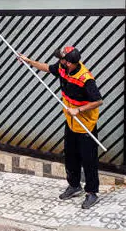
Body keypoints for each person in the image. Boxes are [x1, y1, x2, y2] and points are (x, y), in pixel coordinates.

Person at [19, 46, 103, 209]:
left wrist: (78, 110)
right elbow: (47, 68)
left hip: (85, 125)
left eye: (62, 59)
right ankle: (74, 186)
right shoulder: (62, 68)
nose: (59, 61)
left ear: (70, 63)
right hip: (71, 122)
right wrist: (29, 62)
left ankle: (92, 192)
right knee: (70, 156)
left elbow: (98, 101)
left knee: (88, 160)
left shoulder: (85, 78)